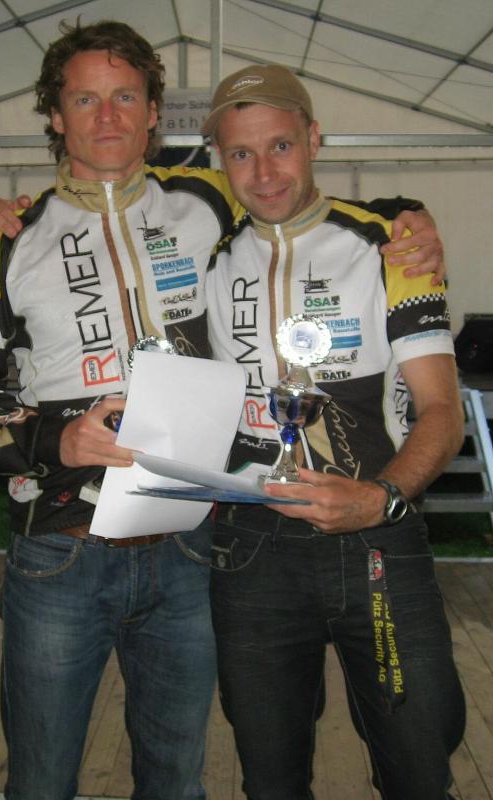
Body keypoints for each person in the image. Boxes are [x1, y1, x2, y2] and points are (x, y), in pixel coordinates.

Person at [0, 22, 446, 800]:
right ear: (55, 114)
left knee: (178, 781)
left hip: (190, 546)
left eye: (126, 97)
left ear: (154, 113)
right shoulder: (8, 237)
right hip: (60, 551)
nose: (107, 117)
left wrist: (410, 215)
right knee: (40, 782)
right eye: (85, 99)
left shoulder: (207, 200)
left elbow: (300, 199)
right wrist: (54, 438)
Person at [202, 64, 466, 799]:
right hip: (251, 552)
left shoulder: (391, 246)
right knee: (269, 781)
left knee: (420, 768)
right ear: (222, 161)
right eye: (242, 153)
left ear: (314, 139)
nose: (264, 172)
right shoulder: (211, 262)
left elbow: (441, 412)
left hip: (379, 539)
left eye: (281, 146)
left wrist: (381, 498)